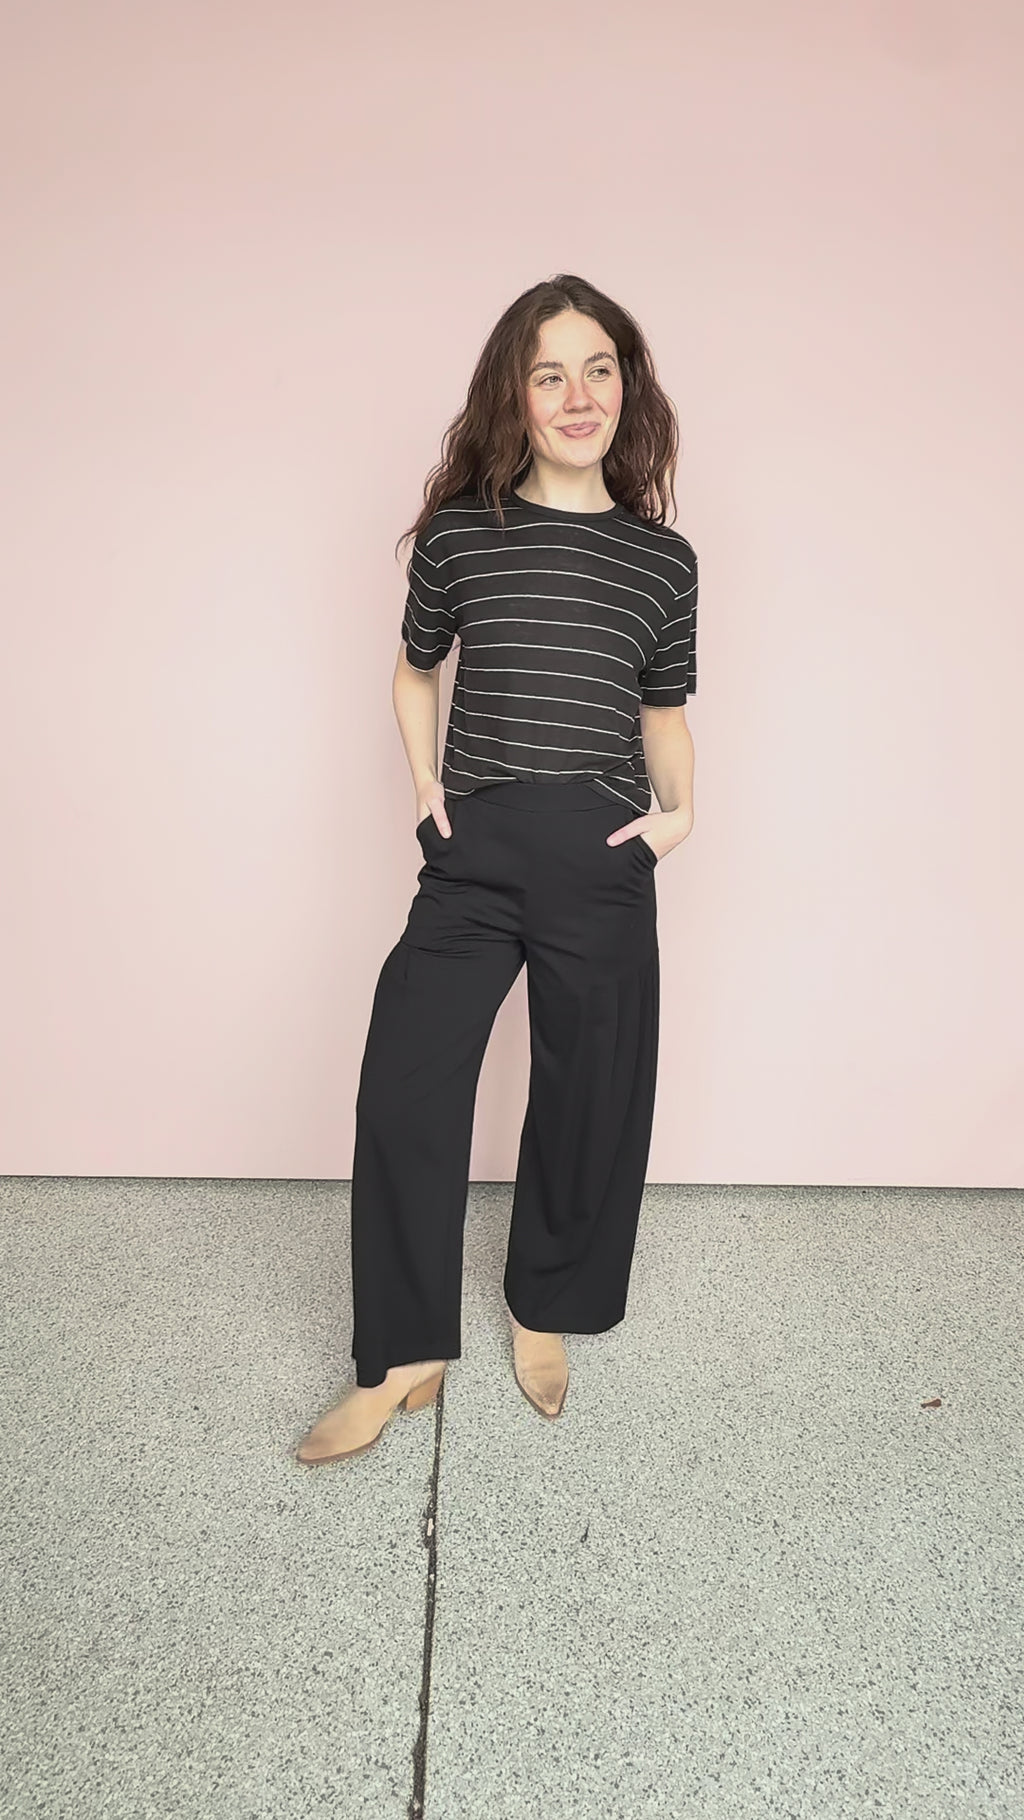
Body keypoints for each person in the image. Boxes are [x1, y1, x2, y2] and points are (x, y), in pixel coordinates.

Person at [295, 273, 698, 1466]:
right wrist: (427, 787)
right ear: (513, 396)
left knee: (589, 1097)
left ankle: (544, 1306)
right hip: (473, 855)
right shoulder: (462, 535)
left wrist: (682, 815)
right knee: (405, 1084)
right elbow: (414, 669)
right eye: (548, 373)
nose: (578, 395)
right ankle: (401, 1351)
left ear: (626, 387)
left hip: (602, 854)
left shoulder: (662, 561)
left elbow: (663, 709)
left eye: (598, 369)